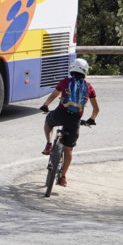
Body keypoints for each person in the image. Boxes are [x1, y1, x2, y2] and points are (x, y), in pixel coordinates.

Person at [39, 57, 99, 187]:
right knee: (69, 149)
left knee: (48, 122)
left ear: (72, 69)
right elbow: (96, 109)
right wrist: (91, 119)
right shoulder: (89, 87)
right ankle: (63, 177)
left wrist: (45, 105)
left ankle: (49, 144)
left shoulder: (65, 81)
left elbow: (54, 95)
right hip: (74, 120)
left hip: (61, 114)